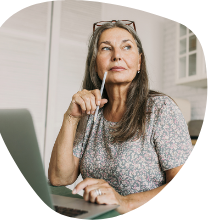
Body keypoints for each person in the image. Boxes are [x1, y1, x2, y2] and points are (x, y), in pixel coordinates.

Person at [48, 20, 192, 216]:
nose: (117, 56)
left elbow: (185, 187)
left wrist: (124, 202)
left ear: (139, 61)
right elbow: (59, 178)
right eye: (106, 48)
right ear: (95, 62)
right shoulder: (91, 113)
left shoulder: (161, 109)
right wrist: (71, 117)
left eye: (127, 47)